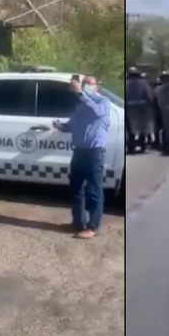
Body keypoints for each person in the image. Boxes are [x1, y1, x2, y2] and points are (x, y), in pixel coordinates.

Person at [52, 75, 111, 239]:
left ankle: (93, 227)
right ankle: (78, 223)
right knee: (77, 189)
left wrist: (80, 94)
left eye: (89, 84)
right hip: (79, 152)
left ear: (97, 86)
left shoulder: (102, 103)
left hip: (94, 153)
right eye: (83, 83)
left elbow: (97, 112)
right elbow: (71, 125)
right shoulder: (80, 105)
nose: (85, 86)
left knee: (94, 190)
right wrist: (60, 126)